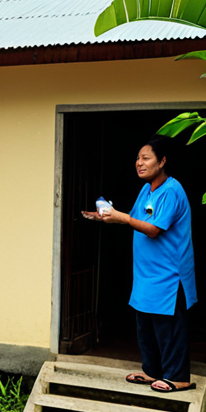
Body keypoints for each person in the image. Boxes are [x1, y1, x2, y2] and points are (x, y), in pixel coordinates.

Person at [82, 135, 197, 393]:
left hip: (170, 275)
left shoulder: (172, 190)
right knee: (146, 327)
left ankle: (179, 377)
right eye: (137, 158)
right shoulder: (147, 189)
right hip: (146, 276)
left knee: (170, 328)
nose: (139, 163)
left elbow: (154, 229)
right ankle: (152, 371)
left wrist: (120, 217)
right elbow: (132, 219)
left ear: (162, 161)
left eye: (146, 158)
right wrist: (103, 217)